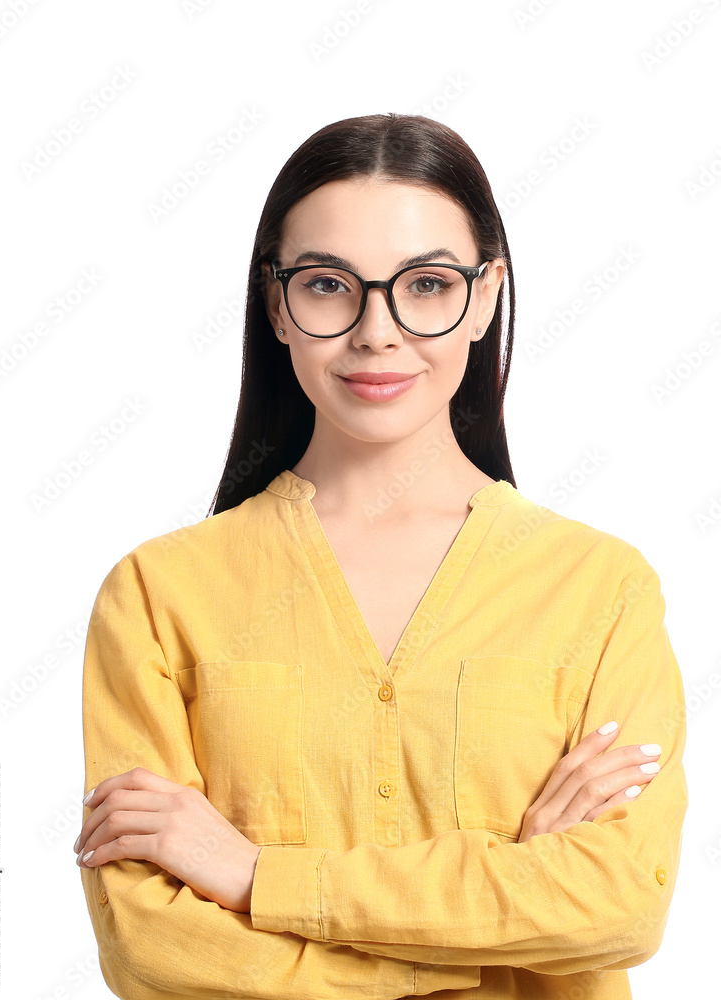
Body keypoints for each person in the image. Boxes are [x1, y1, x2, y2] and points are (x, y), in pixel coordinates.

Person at [75, 113, 687, 1000]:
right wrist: (509, 926)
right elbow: (155, 950)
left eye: (427, 284)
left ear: (484, 297)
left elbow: (621, 909)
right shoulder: (157, 595)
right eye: (328, 285)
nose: (377, 332)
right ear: (277, 302)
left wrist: (256, 877)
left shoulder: (601, 590)